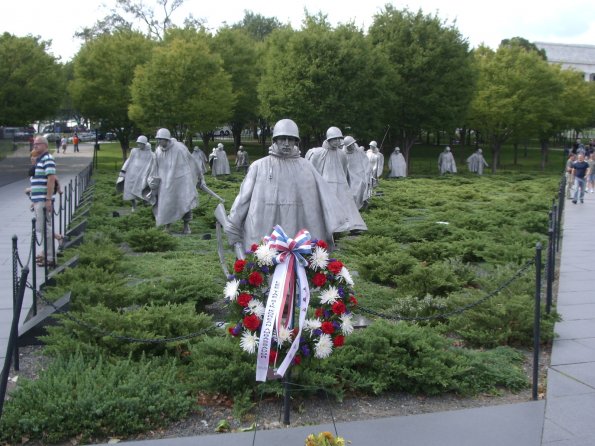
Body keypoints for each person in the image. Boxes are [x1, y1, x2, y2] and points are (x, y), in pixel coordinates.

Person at [223, 118, 350, 252]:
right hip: (266, 232)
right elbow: (243, 199)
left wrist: (338, 223)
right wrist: (233, 225)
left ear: (296, 141)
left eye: (290, 139)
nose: (286, 143)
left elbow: (325, 197)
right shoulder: (259, 166)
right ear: (275, 140)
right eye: (282, 139)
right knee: (265, 264)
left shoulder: (306, 166)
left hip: (299, 232)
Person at [147, 128, 222, 234]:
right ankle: (167, 226)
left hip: (181, 181)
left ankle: (186, 226)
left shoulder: (179, 148)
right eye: (157, 139)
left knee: (185, 202)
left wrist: (199, 177)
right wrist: (152, 180)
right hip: (165, 183)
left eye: (160, 139)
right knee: (165, 204)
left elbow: (191, 162)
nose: (158, 142)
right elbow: (155, 166)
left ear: (166, 139)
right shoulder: (158, 150)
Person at [306, 126, 367, 233]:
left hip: (341, 183)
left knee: (347, 205)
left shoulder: (341, 153)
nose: (337, 141)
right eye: (335, 139)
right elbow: (313, 169)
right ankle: (331, 228)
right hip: (327, 183)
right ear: (329, 139)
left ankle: (352, 226)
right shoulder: (319, 153)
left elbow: (344, 169)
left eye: (339, 139)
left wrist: (345, 183)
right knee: (329, 206)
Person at [30, 135, 58, 266]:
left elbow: (51, 178)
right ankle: (46, 253)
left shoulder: (47, 158)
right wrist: (34, 200)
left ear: (45, 145)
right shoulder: (39, 160)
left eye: (38, 144)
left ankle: (50, 257)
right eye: (34, 144)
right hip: (38, 199)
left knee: (44, 228)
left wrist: (47, 198)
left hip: (43, 199)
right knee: (44, 228)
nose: (35, 146)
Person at [117, 135, 153, 212]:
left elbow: (152, 165)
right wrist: (123, 171)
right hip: (131, 174)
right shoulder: (134, 151)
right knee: (130, 191)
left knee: (143, 191)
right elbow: (129, 160)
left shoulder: (150, 154)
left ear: (144, 144)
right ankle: (133, 206)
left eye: (140, 143)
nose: (138, 145)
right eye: (138, 143)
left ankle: (145, 207)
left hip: (142, 176)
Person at [342, 135, 372, 210]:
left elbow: (366, 162)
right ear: (346, 146)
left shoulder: (359, 151)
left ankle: (364, 206)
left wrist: (367, 173)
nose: (352, 146)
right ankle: (354, 208)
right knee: (353, 193)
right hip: (350, 176)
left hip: (360, 175)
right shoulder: (343, 154)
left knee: (362, 189)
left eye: (352, 144)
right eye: (349, 145)